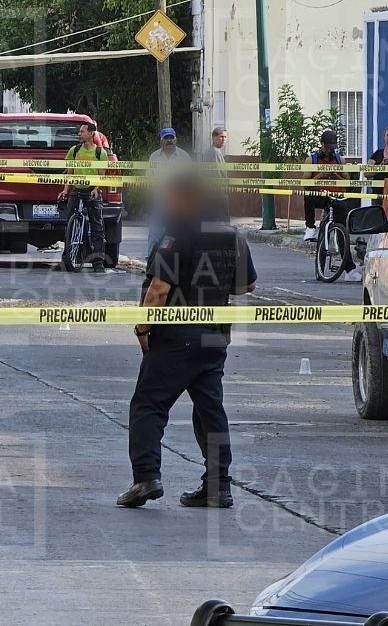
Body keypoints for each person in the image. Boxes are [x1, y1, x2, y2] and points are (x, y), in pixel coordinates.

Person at [118, 176, 257, 509]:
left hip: (176, 336)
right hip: (214, 337)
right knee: (210, 411)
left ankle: (146, 478)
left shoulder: (177, 233)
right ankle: (219, 486)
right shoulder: (230, 235)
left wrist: (142, 329)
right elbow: (246, 286)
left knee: (148, 405)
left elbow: (159, 290)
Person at [301, 130, 362, 281]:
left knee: (342, 231)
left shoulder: (340, 160)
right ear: (321, 145)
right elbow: (305, 184)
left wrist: (335, 175)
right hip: (319, 195)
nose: (329, 150)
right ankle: (310, 227)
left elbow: (347, 181)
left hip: (336, 197)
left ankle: (348, 268)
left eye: (332, 147)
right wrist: (321, 175)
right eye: (327, 147)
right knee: (308, 197)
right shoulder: (312, 160)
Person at [57, 122, 108, 272]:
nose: (79, 134)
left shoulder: (100, 153)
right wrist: (66, 190)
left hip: (92, 191)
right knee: (70, 225)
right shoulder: (74, 150)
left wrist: (96, 189)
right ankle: (67, 260)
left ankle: (98, 262)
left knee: (97, 226)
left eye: (82, 132)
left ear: (91, 133)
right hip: (77, 190)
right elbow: (70, 173)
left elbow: (102, 177)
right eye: (79, 132)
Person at [145, 128, 193, 258]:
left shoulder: (184, 157)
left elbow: (191, 180)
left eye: (171, 137)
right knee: (155, 233)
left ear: (176, 139)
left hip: (179, 204)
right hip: (159, 202)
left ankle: (180, 261)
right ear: (161, 141)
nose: (169, 140)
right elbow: (148, 179)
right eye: (166, 138)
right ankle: (150, 261)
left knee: (178, 234)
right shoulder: (154, 157)